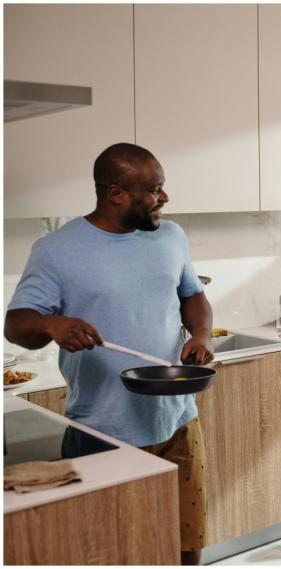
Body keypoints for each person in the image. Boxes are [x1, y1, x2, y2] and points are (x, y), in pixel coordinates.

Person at [5, 142, 214, 565]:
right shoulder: (57, 250)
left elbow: (193, 295)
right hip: (103, 431)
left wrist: (202, 334)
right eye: (154, 190)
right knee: (111, 549)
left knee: (186, 543)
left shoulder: (171, 236)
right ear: (116, 193)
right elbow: (16, 325)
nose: (165, 198)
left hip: (178, 421)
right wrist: (51, 324)